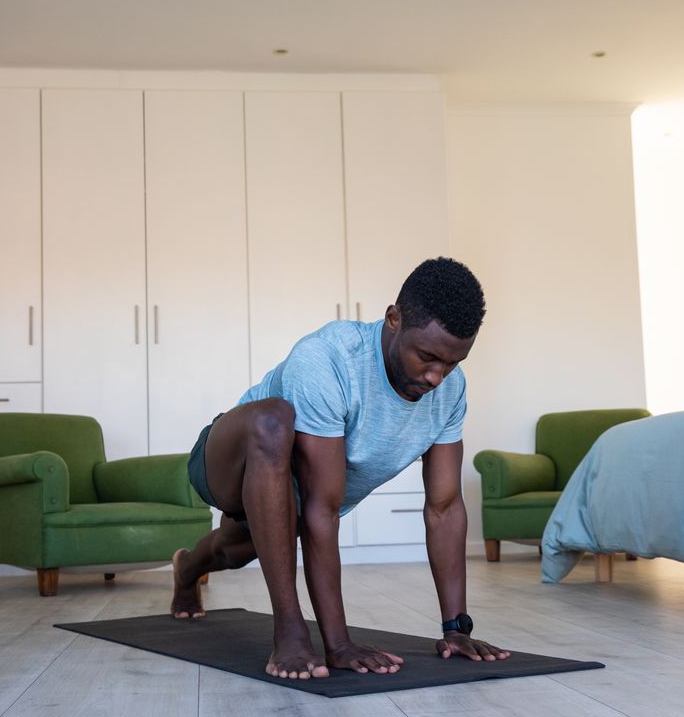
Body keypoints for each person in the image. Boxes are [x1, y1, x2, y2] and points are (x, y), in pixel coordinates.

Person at [169, 256, 509, 679]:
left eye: (452, 364)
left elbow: (444, 508)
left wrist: (456, 628)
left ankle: (187, 570)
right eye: (427, 357)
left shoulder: (450, 393)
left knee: (231, 549)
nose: (437, 377)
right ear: (393, 319)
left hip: (289, 496)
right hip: (228, 462)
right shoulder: (329, 360)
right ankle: (289, 631)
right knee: (272, 419)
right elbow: (321, 509)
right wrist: (337, 643)